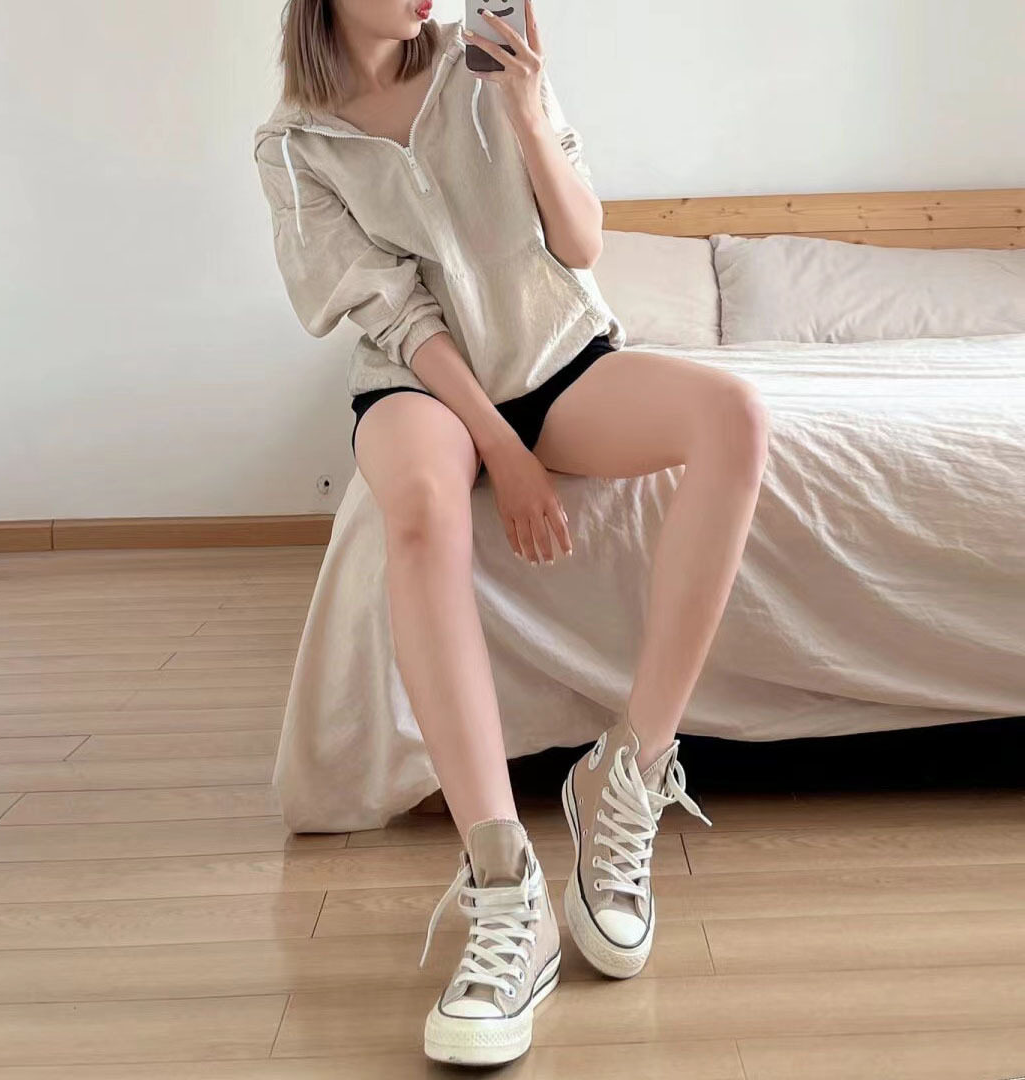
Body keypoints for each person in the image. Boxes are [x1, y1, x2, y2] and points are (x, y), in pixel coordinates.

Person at [254, 0, 769, 1065]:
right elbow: (396, 316)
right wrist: (502, 447)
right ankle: (505, 885)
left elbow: (581, 243)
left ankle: (627, 769)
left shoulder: (486, 67)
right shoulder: (296, 147)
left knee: (736, 416)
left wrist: (528, 110)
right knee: (419, 507)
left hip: (559, 358)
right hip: (421, 387)